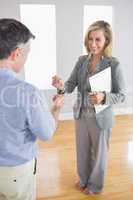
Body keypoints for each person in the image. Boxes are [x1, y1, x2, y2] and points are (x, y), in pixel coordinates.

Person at [52, 20, 126, 195]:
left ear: (106, 41)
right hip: (81, 114)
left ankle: (95, 186)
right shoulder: (82, 61)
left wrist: (104, 97)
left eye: (98, 40)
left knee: (99, 155)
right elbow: (70, 85)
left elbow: (122, 94)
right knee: (83, 151)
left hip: (100, 117)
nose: (93, 44)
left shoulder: (113, 64)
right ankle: (84, 179)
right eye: (90, 39)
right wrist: (60, 85)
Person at [0, 18, 64, 200]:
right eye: (27, 54)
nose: (27, 59)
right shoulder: (27, 92)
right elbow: (46, 133)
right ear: (16, 53)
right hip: (15, 175)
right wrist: (56, 108)